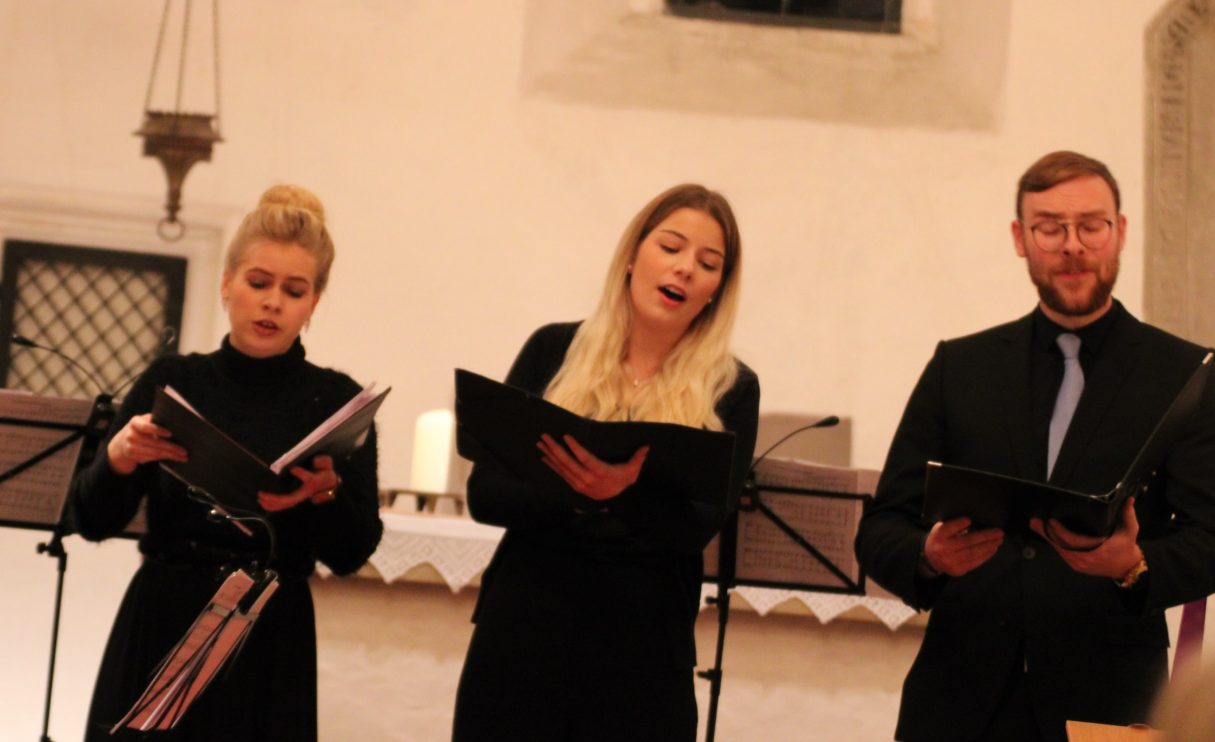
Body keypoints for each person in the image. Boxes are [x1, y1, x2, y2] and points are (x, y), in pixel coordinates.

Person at [854, 151, 1215, 742]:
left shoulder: (1183, 375)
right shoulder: (961, 367)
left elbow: (1214, 543)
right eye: (1050, 227)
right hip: (960, 698)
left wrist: (1135, 567)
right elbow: (882, 528)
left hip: (1110, 697)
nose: (1072, 246)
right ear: (1020, 237)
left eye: (1091, 225)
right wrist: (929, 556)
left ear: (1120, 232)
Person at [69, 185, 383, 742]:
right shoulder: (175, 381)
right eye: (258, 283)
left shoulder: (337, 402)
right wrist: (117, 459)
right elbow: (93, 519)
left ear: (313, 303)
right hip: (166, 613)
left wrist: (323, 496)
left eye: (294, 290)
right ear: (226, 284)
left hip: (270, 628)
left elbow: (352, 551)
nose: (272, 302)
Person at [452, 183, 760, 742]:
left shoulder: (731, 388)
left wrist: (622, 493)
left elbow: (698, 525)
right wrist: (582, 491)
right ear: (632, 255)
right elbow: (485, 495)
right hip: (525, 626)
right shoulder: (553, 348)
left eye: (708, 262)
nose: (686, 268)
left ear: (717, 288)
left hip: (641, 646)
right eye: (671, 247)